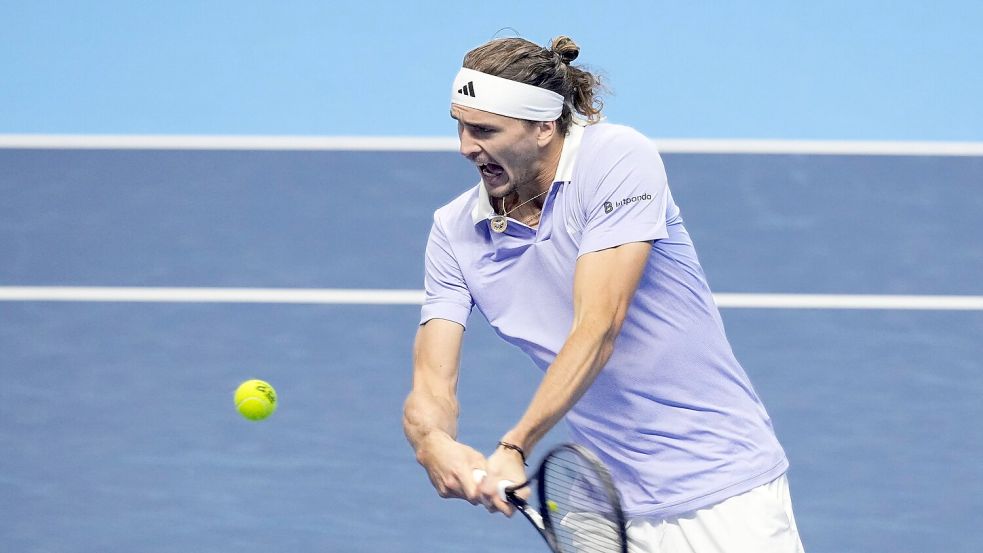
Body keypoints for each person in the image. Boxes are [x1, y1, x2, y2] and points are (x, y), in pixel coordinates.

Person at [403, 35, 805, 552]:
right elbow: (432, 383)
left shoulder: (615, 160)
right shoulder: (453, 232)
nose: (464, 146)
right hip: (607, 505)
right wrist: (434, 444)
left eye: (484, 129)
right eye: (459, 125)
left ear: (545, 126)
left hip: (723, 489)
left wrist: (514, 445)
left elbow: (598, 326)